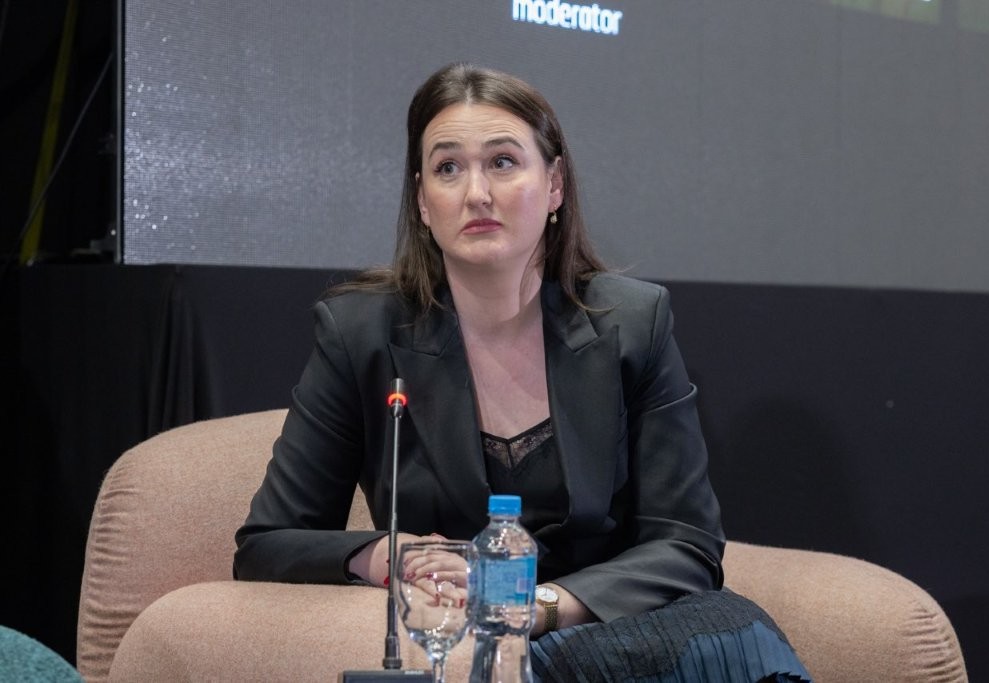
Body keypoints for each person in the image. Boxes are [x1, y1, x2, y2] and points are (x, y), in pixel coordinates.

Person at [234, 62, 809, 682]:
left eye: (503, 162)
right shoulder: (361, 335)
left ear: (554, 184)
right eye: (447, 168)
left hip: (608, 626)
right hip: (463, 642)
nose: (476, 193)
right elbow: (268, 541)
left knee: (739, 639)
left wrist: (536, 607)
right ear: (422, 201)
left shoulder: (634, 323)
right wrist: (390, 555)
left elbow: (686, 543)